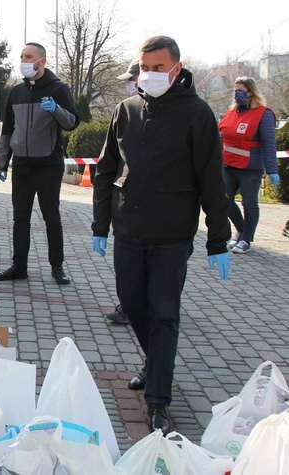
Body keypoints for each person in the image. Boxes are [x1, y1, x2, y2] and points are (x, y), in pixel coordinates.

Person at [91, 36, 232, 435]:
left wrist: (217, 239)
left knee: (165, 315)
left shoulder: (197, 114)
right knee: (134, 306)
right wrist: (101, 224)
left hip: (172, 235)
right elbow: (106, 170)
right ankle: (156, 367)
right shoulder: (126, 110)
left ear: (176, 68)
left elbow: (211, 180)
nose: (148, 75)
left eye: (157, 67)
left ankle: (158, 401)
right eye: (144, 67)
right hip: (129, 231)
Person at [0, 42, 79, 285]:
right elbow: (8, 129)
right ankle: (19, 267)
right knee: (20, 218)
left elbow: (72, 122)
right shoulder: (17, 92)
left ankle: (57, 266)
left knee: (51, 216)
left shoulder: (58, 89)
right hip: (21, 165)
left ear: (42, 61)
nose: (24, 61)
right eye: (21, 57)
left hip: (48, 164)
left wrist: (56, 110)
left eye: (28, 57)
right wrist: (2, 163)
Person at [219, 76, 279, 254]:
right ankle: (241, 229)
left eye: (240, 91)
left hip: (250, 167)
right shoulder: (232, 112)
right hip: (228, 164)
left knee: (249, 203)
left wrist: (272, 170)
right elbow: (221, 135)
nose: (237, 94)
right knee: (224, 199)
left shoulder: (263, 114)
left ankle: (246, 239)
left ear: (251, 92)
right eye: (235, 90)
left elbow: (269, 143)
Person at [104, 59, 143, 324]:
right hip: (130, 208)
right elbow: (109, 164)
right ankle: (129, 307)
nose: (130, 84)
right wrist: (100, 222)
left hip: (171, 218)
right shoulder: (126, 111)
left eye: (133, 78)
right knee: (130, 270)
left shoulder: (192, 112)